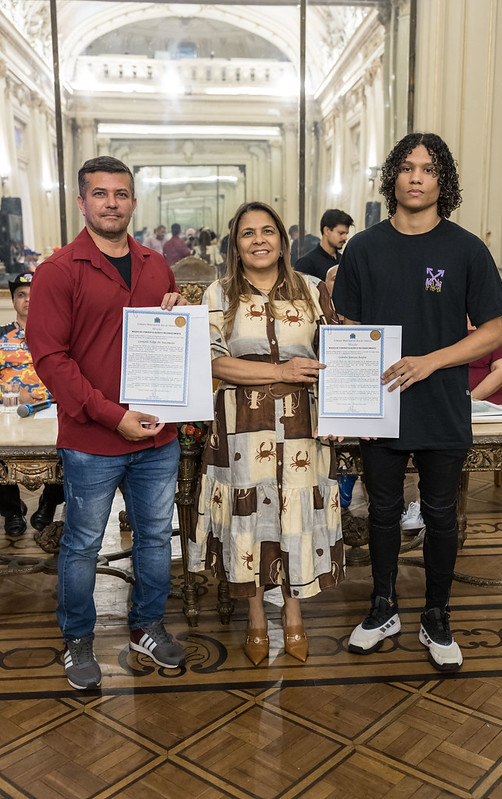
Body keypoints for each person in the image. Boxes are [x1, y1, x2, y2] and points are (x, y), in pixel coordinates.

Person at [333, 132, 502, 672]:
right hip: (380, 404)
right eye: (407, 167)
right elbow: (348, 328)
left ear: (442, 181)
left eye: (429, 169)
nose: (416, 177)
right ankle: (382, 606)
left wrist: (430, 361)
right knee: (383, 513)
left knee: (439, 514)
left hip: (440, 403)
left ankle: (437, 615)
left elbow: (492, 333)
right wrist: (352, 404)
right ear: (392, 177)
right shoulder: (364, 246)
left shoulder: (464, 248)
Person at [26, 155, 189, 690]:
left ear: (134, 202)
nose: (112, 203)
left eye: (121, 193)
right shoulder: (57, 272)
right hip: (94, 438)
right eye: (101, 194)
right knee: (82, 543)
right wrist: (111, 416)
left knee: (153, 538)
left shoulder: (154, 265)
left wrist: (176, 316)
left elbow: (166, 339)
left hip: (159, 435)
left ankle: (146, 624)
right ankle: (78, 638)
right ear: (82, 202)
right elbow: (51, 359)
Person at [189, 201, 344, 666]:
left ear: (283, 239)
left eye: (268, 231)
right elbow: (213, 361)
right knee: (250, 514)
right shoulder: (218, 294)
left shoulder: (313, 291)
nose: (259, 240)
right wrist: (280, 370)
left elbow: (337, 351)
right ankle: (257, 615)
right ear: (235, 244)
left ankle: (293, 611)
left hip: (301, 424)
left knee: (293, 513)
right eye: (247, 233)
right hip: (241, 428)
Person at [0, 273, 64, 536]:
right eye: (21, 295)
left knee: (71, 450)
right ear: (14, 301)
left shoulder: (59, 334)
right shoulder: (2, 336)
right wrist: (9, 396)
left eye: (33, 293)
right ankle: (12, 509)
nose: (28, 300)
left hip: (53, 410)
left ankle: (49, 502)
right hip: (8, 412)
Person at [295, 209, 353, 281]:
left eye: (346, 234)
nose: (345, 238)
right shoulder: (306, 263)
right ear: (326, 231)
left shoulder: (344, 260)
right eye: (341, 233)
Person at [468, 320, 502, 404]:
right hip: (445, 399)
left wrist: (470, 399)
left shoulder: (495, 327)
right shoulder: (439, 325)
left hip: (489, 400)